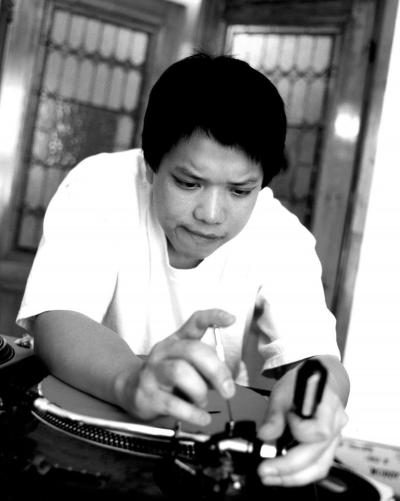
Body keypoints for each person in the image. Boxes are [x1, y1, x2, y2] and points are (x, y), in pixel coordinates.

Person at [17, 52, 349, 487]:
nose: (211, 214)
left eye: (240, 190)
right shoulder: (100, 185)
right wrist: (130, 380)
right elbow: (58, 317)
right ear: (151, 165)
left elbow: (317, 360)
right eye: (189, 183)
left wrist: (319, 401)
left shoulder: (279, 233)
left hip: (201, 445)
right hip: (73, 431)